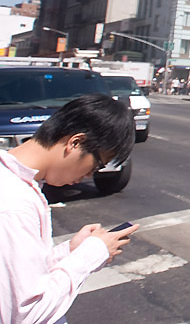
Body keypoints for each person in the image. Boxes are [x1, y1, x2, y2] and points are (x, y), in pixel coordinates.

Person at [1, 94, 138, 324]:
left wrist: (69, 251)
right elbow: (28, 314)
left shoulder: (16, 184)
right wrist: (91, 254)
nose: (89, 175)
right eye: (96, 165)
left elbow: (21, 274)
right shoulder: (15, 204)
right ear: (75, 142)